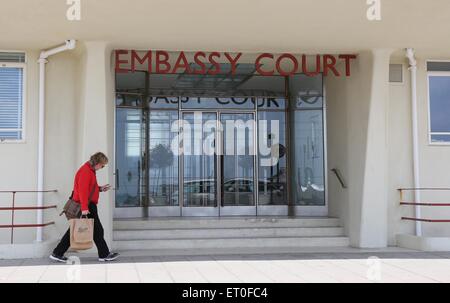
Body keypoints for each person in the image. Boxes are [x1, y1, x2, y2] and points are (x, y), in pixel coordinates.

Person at [50, 152, 119, 262]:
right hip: (87, 205)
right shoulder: (86, 171)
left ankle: (57, 252)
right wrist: (84, 208)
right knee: (95, 230)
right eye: (102, 165)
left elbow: (89, 189)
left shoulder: (90, 170)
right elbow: (82, 191)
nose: (102, 167)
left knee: (81, 230)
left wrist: (100, 189)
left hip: (88, 205)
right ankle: (104, 254)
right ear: (97, 163)